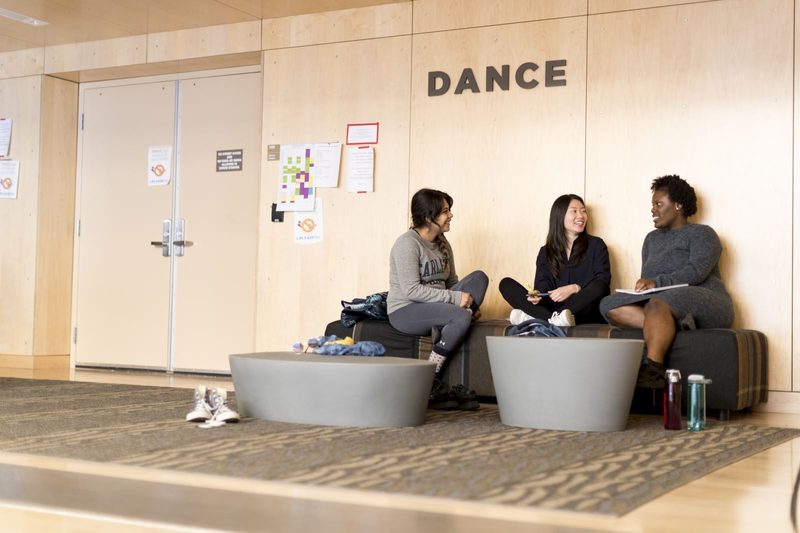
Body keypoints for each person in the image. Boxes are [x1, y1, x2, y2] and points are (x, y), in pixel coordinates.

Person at [599, 175, 734, 387]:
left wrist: (657, 283)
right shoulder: (651, 240)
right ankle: (671, 323)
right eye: (652, 204)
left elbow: (697, 272)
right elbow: (650, 283)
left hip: (706, 299)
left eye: (659, 204)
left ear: (678, 205)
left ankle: (653, 367)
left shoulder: (702, 234)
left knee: (659, 300)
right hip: (662, 302)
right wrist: (643, 287)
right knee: (608, 304)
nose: (653, 209)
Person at [388, 188, 489, 409]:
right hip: (406, 310)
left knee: (479, 279)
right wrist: (456, 301)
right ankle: (429, 378)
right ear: (427, 217)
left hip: (436, 306)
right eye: (445, 211)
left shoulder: (442, 243)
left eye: (449, 210)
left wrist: (467, 300)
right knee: (461, 315)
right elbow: (410, 290)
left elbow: (452, 283)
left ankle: (455, 319)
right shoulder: (407, 244)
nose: (450, 215)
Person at [499, 194, 611, 327]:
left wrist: (574, 288)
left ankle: (539, 319)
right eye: (574, 211)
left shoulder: (596, 245)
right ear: (560, 215)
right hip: (552, 309)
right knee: (505, 284)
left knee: (599, 286)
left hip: (583, 311)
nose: (581, 216)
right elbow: (542, 287)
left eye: (583, 211)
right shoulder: (545, 252)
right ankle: (553, 320)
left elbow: (603, 281)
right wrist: (537, 296)